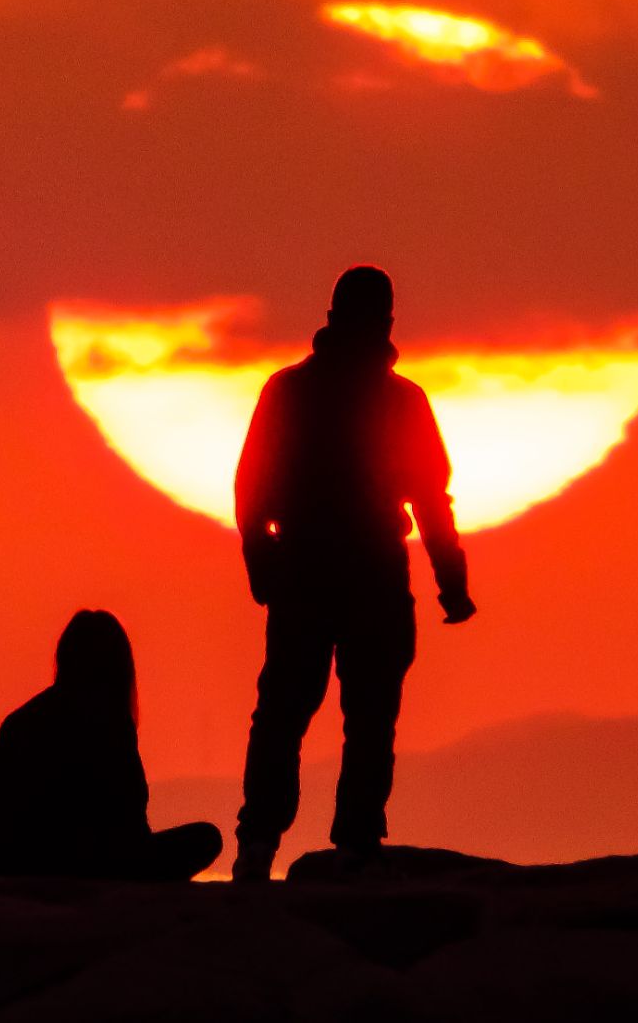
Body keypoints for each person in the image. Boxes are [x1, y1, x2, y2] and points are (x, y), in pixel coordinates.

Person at [230, 265, 477, 882]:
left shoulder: (289, 391)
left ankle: (260, 844)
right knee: (366, 714)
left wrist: (264, 568)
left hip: (305, 570)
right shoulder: (401, 400)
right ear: (386, 322)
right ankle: (353, 843)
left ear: (333, 315)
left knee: (286, 712)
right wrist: (451, 582)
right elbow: (430, 499)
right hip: (368, 572)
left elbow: (250, 492)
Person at [0, 610, 222, 880]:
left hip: (11, 861)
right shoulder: (110, 720)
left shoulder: (19, 721)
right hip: (91, 862)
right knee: (207, 837)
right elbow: (128, 816)